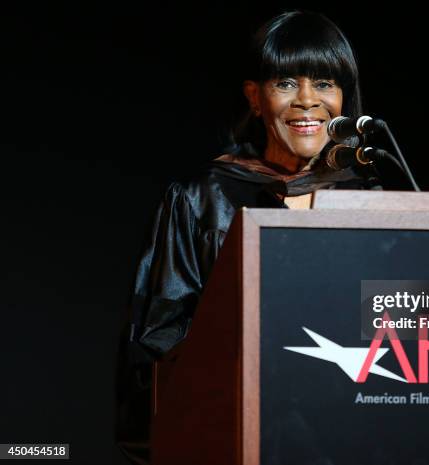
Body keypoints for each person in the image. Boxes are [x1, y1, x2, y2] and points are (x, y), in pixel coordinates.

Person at [115, 10, 381, 465]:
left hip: (348, 438)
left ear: (345, 101)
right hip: (234, 436)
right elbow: (155, 343)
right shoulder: (203, 202)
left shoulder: (374, 206)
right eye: (285, 84)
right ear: (255, 98)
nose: (306, 101)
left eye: (324, 83)